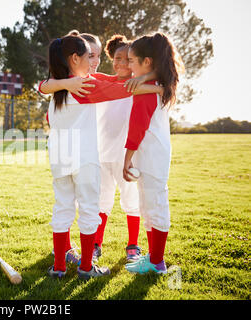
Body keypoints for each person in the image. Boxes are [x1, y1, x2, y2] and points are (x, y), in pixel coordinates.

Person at [44, 31, 162, 280]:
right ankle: (86, 267)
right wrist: (156, 86)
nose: (93, 62)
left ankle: (59, 267)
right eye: (89, 56)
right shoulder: (86, 85)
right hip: (84, 160)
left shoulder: (57, 87)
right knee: (89, 210)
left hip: (59, 160)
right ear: (75, 59)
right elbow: (122, 88)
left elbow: (46, 90)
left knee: (62, 208)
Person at [123, 32, 184, 274]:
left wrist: (126, 159)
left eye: (131, 61)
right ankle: (152, 257)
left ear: (147, 61)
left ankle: (157, 262)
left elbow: (137, 127)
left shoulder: (148, 89)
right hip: (153, 153)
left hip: (151, 154)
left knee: (155, 205)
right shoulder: (155, 84)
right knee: (148, 205)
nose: (128, 66)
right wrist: (147, 76)